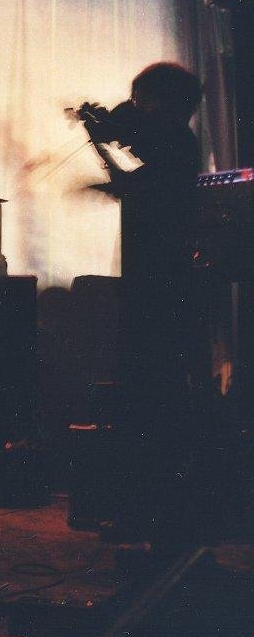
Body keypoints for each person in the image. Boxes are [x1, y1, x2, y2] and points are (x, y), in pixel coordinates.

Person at [85, 62, 203, 546]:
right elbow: (133, 183)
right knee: (146, 396)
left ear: (165, 102)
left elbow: (142, 176)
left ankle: (157, 519)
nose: (134, 108)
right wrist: (103, 145)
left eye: (142, 100)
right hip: (150, 286)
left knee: (154, 397)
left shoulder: (175, 142)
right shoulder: (169, 146)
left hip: (161, 290)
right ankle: (147, 515)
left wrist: (107, 133)